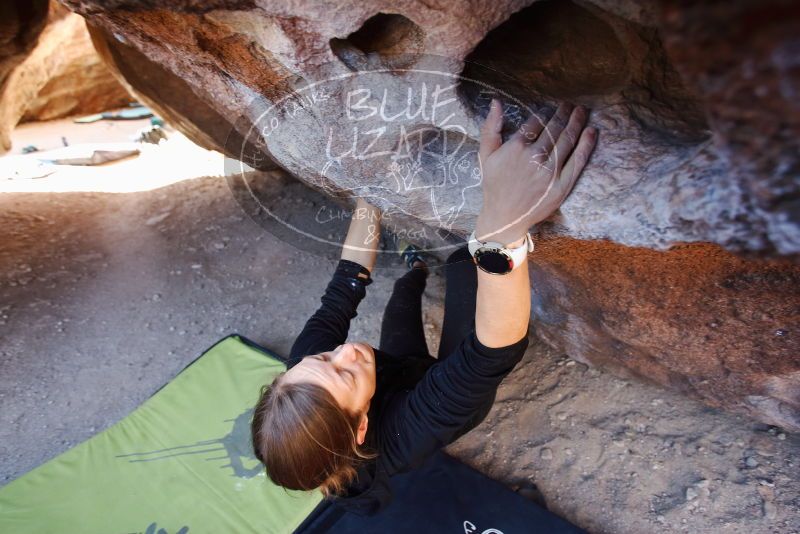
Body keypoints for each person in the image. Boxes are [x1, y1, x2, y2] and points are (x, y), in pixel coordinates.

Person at [251, 100, 597, 515]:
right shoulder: (407, 434)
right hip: (428, 390)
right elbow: (491, 353)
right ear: (361, 426)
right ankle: (439, 264)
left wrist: (369, 190)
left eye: (326, 356)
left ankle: (415, 265)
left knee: (403, 295)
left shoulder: (307, 375)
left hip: (398, 370)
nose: (348, 350)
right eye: (344, 371)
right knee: (462, 263)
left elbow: (345, 283)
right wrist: (500, 229)